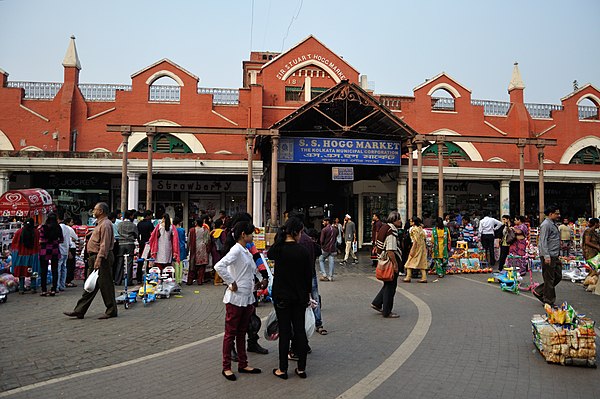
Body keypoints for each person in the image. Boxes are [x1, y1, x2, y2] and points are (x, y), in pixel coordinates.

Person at [213, 221, 262, 381]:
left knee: (241, 332)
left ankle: (243, 363)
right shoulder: (236, 250)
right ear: (243, 235)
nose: (252, 236)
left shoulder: (245, 251)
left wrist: (258, 281)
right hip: (236, 298)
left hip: (247, 297)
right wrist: (231, 282)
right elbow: (219, 266)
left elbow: (249, 270)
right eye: (250, 234)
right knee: (230, 334)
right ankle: (226, 367)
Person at [269, 217, 312, 380]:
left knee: (285, 332)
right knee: (300, 330)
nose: (301, 235)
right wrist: (308, 295)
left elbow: (271, 253)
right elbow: (309, 276)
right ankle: (301, 368)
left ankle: (282, 369)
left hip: (282, 297)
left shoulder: (278, 249)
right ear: (295, 232)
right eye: (300, 232)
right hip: (299, 298)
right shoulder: (303, 251)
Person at [64, 202, 118, 319]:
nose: (93, 211)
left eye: (95, 209)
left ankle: (111, 310)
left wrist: (99, 258)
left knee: (106, 285)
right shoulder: (100, 224)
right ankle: (80, 310)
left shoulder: (106, 224)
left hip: (101, 257)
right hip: (94, 257)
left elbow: (104, 244)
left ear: (101, 211)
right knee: (90, 285)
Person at [371, 211, 402, 318]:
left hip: (382, 259)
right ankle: (387, 311)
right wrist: (395, 264)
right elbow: (390, 250)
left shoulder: (384, 227)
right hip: (389, 261)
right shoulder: (391, 231)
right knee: (391, 286)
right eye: (399, 219)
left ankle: (377, 303)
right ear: (394, 220)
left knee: (387, 284)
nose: (400, 221)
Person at [533, 206, 562, 306]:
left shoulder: (553, 224)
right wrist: (546, 256)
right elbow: (542, 241)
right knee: (549, 278)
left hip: (554, 254)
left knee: (557, 276)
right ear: (550, 214)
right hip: (549, 255)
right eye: (556, 213)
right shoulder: (546, 225)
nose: (558, 215)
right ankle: (548, 300)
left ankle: (539, 290)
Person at [10, 218, 40, 294]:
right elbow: (38, 243)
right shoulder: (36, 232)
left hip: (21, 256)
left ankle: (21, 288)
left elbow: (14, 244)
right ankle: (33, 287)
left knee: (22, 271)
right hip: (33, 255)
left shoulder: (19, 232)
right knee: (33, 270)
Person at [38, 212, 64, 297]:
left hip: (44, 251)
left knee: (44, 271)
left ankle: (44, 290)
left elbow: (41, 240)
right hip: (55, 251)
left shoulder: (43, 227)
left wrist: (46, 242)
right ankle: (53, 289)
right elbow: (61, 240)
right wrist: (55, 242)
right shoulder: (58, 227)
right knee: (55, 270)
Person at [115, 210, 138, 285]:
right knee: (129, 262)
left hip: (121, 243)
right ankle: (129, 281)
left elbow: (118, 232)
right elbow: (136, 234)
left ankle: (118, 280)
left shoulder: (119, 224)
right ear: (131, 216)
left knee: (120, 262)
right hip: (130, 243)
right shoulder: (133, 225)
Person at [402, 217, 428, 283]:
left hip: (416, 247)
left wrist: (412, 249)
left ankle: (408, 276)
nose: (410, 222)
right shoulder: (420, 229)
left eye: (411, 221)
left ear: (414, 222)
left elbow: (415, 241)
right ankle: (424, 277)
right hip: (422, 247)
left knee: (409, 261)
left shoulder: (414, 229)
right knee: (422, 261)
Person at [187, 215, 210, 285]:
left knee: (192, 265)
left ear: (196, 222)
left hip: (194, 248)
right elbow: (207, 240)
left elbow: (188, 241)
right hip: (203, 248)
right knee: (202, 266)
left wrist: (188, 248)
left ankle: (190, 280)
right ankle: (200, 280)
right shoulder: (205, 230)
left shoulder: (192, 230)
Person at [58, 215, 77, 292]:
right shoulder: (68, 229)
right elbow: (74, 239)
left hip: (59, 250)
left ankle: (57, 285)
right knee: (64, 268)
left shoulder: (58, 227)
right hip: (66, 250)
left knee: (58, 268)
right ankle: (63, 284)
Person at [136, 210, 155, 281]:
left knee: (141, 260)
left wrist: (139, 241)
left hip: (141, 243)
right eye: (151, 215)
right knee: (148, 260)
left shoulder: (139, 224)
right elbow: (152, 234)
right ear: (148, 216)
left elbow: (137, 234)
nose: (151, 217)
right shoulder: (150, 224)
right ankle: (147, 276)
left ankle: (138, 277)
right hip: (148, 244)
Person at [318, 217, 338, 281]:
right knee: (331, 261)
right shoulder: (335, 230)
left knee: (321, 259)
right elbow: (335, 239)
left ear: (327, 222)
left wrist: (322, 246)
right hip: (333, 249)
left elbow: (321, 240)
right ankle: (331, 276)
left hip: (325, 249)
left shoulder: (324, 230)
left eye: (324, 221)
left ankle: (324, 274)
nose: (323, 223)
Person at [210, 219, 226, 285]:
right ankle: (217, 280)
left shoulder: (212, 232)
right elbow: (224, 241)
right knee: (220, 264)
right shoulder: (222, 232)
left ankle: (216, 279)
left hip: (213, 249)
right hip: (219, 250)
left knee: (215, 263)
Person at [64, 218, 79, 288]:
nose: (72, 224)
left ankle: (65, 280)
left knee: (66, 265)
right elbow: (76, 238)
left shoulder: (62, 228)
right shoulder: (70, 229)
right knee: (70, 265)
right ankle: (68, 281)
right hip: (71, 247)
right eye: (71, 222)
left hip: (65, 248)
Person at [173, 217, 187, 285]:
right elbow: (184, 239)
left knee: (176, 263)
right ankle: (180, 279)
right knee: (181, 263)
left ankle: (177, 279)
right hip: (182, 247)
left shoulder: (173, 230)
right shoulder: (182, 230)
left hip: (175, 247)